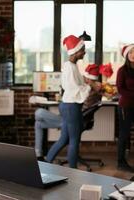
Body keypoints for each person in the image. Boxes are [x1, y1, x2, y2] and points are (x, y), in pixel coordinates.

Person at [45, 35, 101, 168]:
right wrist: (91, 85)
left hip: (68, 106)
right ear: (75, 52)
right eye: (83, 50)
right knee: (74, 140)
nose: (84, 52)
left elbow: (76, 83)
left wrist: (87, 81)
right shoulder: (70, 67)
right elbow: (74, 88)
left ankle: (46, 162)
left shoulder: (72, 66)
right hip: (71, 107)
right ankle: (73, 171)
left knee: (64, 139)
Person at [34, 64, 102, 161]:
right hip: (74, 118)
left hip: (72, 119)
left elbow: (75, 104)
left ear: (88, 79)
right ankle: (39, 155)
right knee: (38, 124)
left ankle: (43, 158)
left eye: (85, 77)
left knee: (39, 113)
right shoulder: (95, 89)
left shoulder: (87, 91)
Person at [116, 44, 134, 172]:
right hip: (126, 106)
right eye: (131, 52)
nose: (133, 54)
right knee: (124, 134)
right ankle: (121, 162)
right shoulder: (122, 70)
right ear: (127, 55)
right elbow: (120, 89)